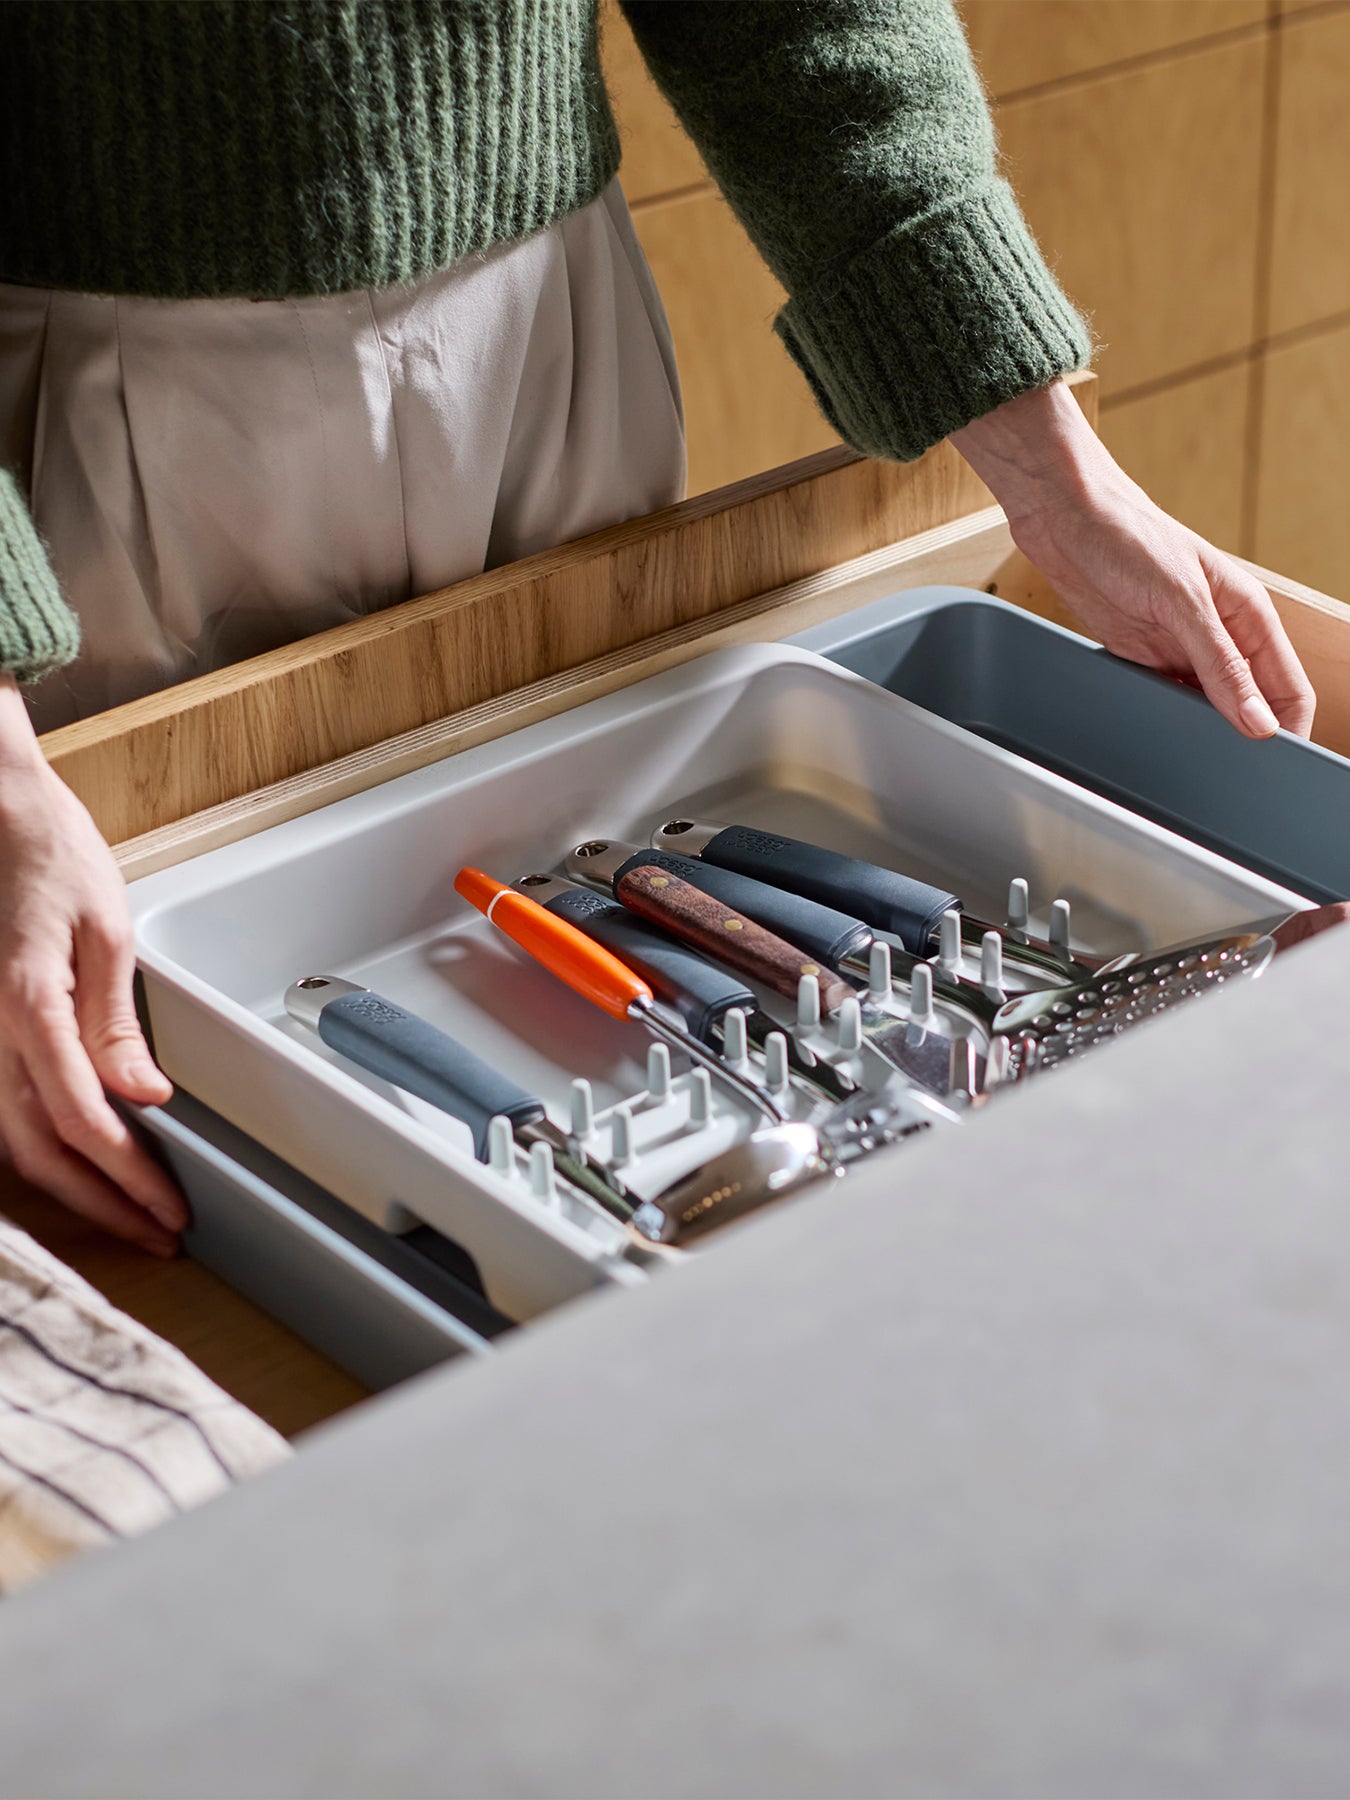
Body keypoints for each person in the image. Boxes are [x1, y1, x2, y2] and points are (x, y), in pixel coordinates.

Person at [0, 0, 1316, 1259]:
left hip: (546, 311)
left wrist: (1045, 463)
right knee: (136, 998)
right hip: (97, 365)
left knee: (573, 796)